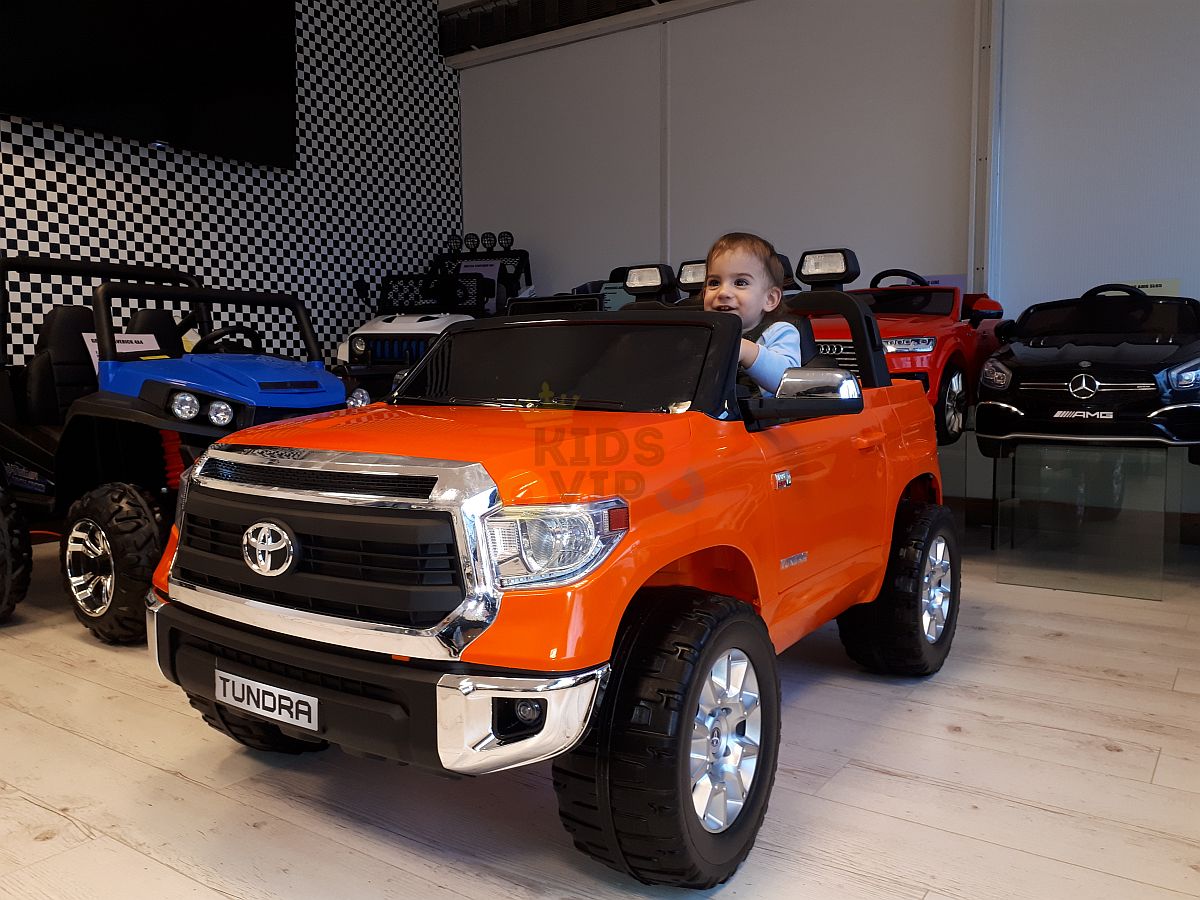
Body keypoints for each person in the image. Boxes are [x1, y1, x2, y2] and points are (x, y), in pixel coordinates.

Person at [702, 232, 802, 397]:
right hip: (703, 418)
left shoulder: (779, 332)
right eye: (714, 283)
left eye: (740, 283)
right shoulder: (702, 336)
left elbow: (788, 384)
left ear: (769, 299)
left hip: (762, 420)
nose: (723, 292)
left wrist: (746, 351)